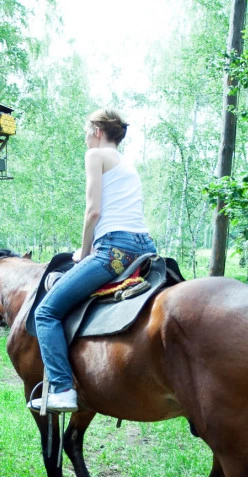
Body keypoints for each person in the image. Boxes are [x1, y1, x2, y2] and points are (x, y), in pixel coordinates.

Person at [32, 108, 157, 413]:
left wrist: (84, 252)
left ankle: (62, 389)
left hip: (113, 248)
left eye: (86, 130)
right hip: (143, 245)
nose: (85, 138)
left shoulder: (96, 156)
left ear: (98, 131)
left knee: (46, 313)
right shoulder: (127, 164)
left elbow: (93, 212)